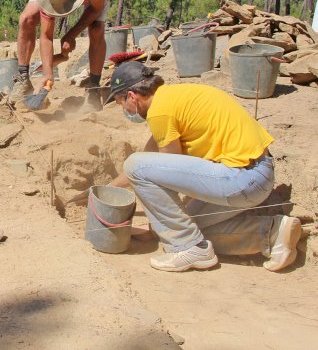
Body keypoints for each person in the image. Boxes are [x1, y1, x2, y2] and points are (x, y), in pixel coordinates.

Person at [104, 61, 301, 272]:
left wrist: (159, 224)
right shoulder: (172, 99)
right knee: (191, 226)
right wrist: (108, 189)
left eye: (120, 102)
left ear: (132, 96)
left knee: (135, 164)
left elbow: (157, 171)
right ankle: (272, 232)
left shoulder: (160, 112)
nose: (124, 109)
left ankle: (187, 248)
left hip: (243, 178)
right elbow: (150, 159)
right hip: (256, 175)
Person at [11, 0, 116, 103]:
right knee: (26, 19)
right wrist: (48, 74)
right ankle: (23, 79)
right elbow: (46, 36)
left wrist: (70, 35)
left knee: (96, 28)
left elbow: (95, 9)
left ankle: (93, 87)